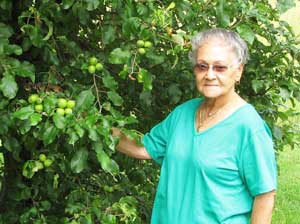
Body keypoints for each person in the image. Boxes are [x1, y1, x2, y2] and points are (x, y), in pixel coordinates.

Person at [112, 28, 277, 224]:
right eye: (202, 66)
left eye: (220, 67)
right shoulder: (183, 113)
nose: (209, 75)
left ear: (238, 71)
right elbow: (143, 148)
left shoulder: (249, 128)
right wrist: (98, 129)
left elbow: (265, 195)